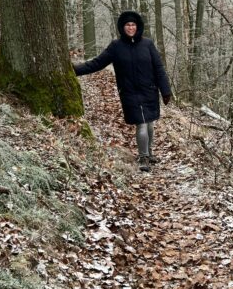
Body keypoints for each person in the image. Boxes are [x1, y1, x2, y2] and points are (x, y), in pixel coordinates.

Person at [73, 11, 172, 172]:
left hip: (149, 91)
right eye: (127, 25)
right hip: (129, 93)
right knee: (141, 124)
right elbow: (97, 63)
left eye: (133, 25)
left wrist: (165, 90)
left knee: (149, 124)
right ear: (122, 27)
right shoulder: (116, 46)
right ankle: (143, 157)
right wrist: (75, 70)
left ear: (138, 26)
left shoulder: (147, 44)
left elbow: (159, 68)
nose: (130, 27)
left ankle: (149, 153)